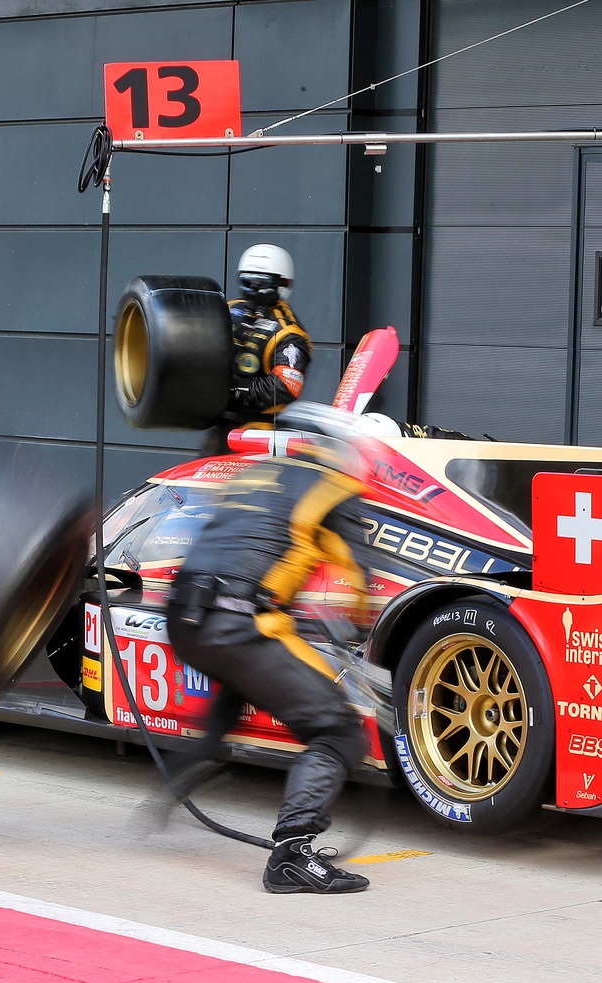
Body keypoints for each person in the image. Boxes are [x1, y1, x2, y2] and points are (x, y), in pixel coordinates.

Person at [167, 402, 374, 894]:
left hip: (182, 615)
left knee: (247, 674)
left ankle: (203, 751)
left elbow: (236, 543)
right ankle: (292, 856)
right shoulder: (337, 488)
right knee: (340, 732)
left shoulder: (255, 473)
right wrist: (360, 635)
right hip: (236, 622)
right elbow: (359, 581)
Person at [206, 244, 312, 454]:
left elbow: (284, 388)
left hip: (257, 432)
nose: (253, 289)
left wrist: (231, 388)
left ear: (282, 284)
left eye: (262, 283)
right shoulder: (227, 309)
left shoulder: (289, 333)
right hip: (219, 426)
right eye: (248, 281)